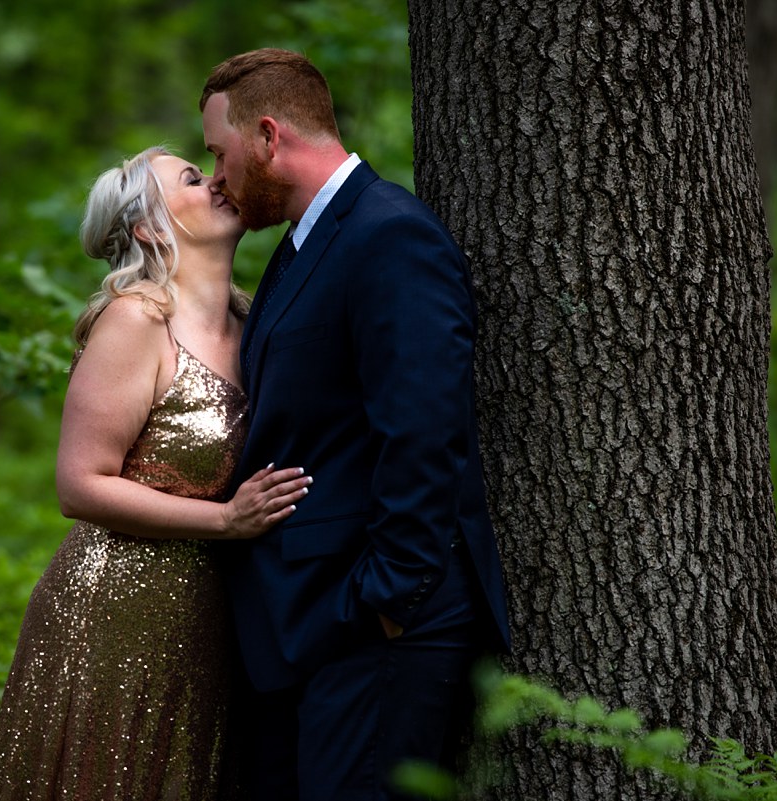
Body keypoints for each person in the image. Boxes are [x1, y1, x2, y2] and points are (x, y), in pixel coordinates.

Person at [199, 49, 513, 800]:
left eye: (221, 151)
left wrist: (387, 599)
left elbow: (424, 427)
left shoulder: (389, 234)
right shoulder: (307, 240)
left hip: (377, 626)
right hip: (313, 623)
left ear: (270, 135)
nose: (216, 176)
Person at [0, 145, 312, 801]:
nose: (216, 179)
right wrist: (226, 518)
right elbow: (80, 484)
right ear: (149, 227)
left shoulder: (257, 322)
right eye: (192, 177)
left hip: (217, 616)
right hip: (114, 610)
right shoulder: (137, 320)